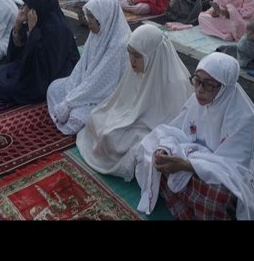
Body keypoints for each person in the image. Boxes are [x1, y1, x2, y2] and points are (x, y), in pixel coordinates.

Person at [135, 52, 254, 220]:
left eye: (208, 85)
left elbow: (234, 168)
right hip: (196, 158)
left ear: (224, 88)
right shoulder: (196, 100)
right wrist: (165, 150)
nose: (199, 90)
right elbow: (177, 131)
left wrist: (187, 165)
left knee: (220, 196)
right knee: (152, 155)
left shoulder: (243, 117)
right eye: (197, 80)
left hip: (227, 170)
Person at [76, 24, 193, 181]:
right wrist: (120, 118)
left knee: (113, 137)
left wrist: (125, 123)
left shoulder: (175, 82)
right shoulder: (138, 68)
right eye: (129, 53)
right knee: (95, 117)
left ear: (152, 55)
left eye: (137, 56)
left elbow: (170, 125)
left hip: (150, 128)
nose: (132, 60)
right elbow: (121, 101)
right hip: (131, 117)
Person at [47, 0, 131, 135]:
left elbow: (100, 82)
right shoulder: (96, 34)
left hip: (105, 95)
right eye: (88, 16)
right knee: (54, 88)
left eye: (92, 17)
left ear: (105, 17)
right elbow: (81, 67)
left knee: (77, 118)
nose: (88, 21)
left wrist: (69, 102)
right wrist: (71, 90)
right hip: (86, 87)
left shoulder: (120, 44)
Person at [0, 0, 80, 104]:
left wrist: (33, 32)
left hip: (51, 74)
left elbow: (47, 65)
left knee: (10, 87)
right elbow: (19, 53)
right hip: (31, 68)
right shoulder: (37, 20)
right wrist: (17, 26)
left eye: (28, 5)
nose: (24, 9)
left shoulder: (58, 29)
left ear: (38, 7)